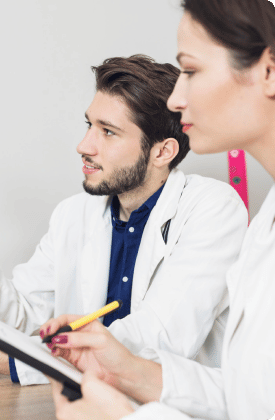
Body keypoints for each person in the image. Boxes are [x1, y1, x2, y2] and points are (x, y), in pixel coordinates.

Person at [0, 55, 248, 386]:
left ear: (162, 151)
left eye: (107, 132)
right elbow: (25, 316)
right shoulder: (74, 214)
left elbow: (158, 341)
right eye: (89, 125)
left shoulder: (214, 210)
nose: (84, 145)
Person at [45, 0, 275, 419]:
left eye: (190, 70)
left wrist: (123, 416)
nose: (176, 98)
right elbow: (250, 396)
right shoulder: (266, 231)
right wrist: (128, 370)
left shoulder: (215, 210)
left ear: (269, 70)